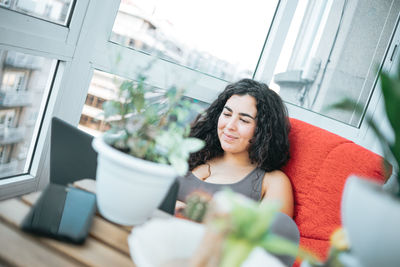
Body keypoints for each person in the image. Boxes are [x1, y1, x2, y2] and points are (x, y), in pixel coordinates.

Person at [177, 78, 293, 218]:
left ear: (264, 130)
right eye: (226, 114)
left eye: (244, 120)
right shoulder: (193, 151)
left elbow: (269, 236)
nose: (230, 126)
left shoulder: (273, 181)